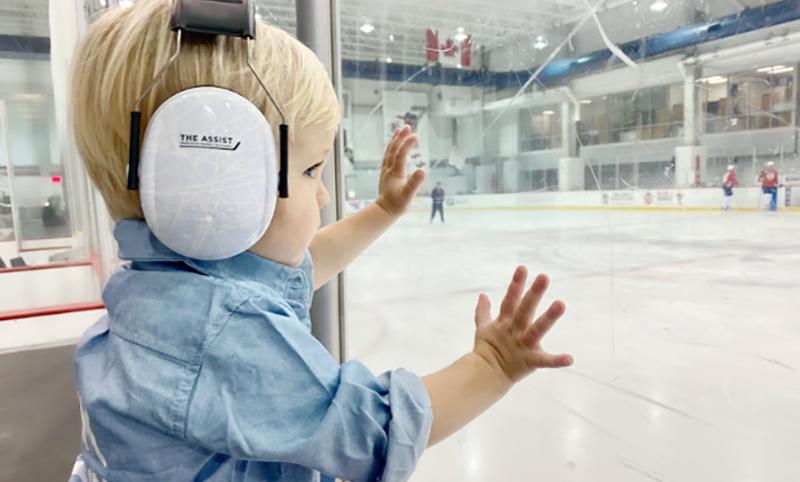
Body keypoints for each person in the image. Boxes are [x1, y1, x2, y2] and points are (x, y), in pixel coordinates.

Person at [67, 2, 573, 482]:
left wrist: (382, 211)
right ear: (213, 174)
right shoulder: (219, 335)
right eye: (310, 170)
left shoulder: (164, 293)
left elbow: (293, 270)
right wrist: (493, 366)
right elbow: (372, 432)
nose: (325, 193)